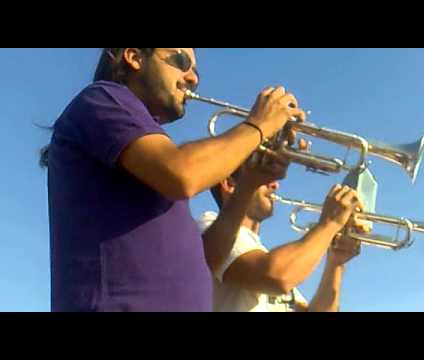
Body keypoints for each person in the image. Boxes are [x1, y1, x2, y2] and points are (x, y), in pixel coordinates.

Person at [43, 48, 306, 312]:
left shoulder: (148, 152)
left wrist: (250, 181)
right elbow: (182, 174)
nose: (192, 78)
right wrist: (258, 126)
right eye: (181, 61)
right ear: (134, 56)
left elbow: (209, 261)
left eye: (196, 71)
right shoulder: (103, 98)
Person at [198, 157, 365, 312]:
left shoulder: (264, 254)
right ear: (229, 183)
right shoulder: (210, 227)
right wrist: (330, 224)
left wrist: (336, 262)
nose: (275, 185)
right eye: (263, 176)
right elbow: (278, 277)